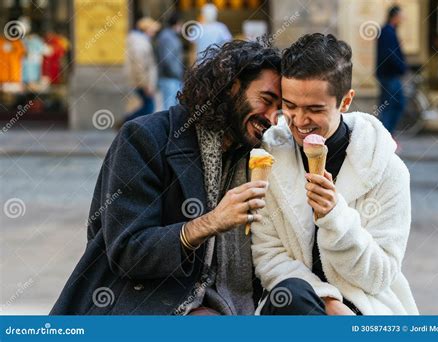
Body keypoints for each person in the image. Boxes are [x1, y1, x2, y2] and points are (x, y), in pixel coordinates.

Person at [50, 39, 281, 315]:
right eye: (266, 100)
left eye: (281, 108)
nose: (273, 118)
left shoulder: (259, 151)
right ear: (232, 87)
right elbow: (127, 252)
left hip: (235, 301)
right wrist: (210, 222)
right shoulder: (145, 138)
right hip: (152, 302)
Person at [251, 33, 418, 315]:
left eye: (315, 109)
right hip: (297, 303)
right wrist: (328, 300)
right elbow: (267, 256)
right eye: (289, 106)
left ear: (345, 101)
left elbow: (380, 276)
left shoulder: (388, 169)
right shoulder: (268, 160)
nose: (300, 121)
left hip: (366, 306)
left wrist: (335, 218)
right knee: (290, 295)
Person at [376, 5, 407, 134]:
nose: (403, 19)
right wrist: (401, 67)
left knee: (391, 105)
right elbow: (389, 55)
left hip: (389, 75)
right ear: (395, 17)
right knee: (393, 106)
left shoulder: (389, 31)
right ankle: (386, 136)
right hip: (389, 75)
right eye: (401, 16)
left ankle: (386, 136)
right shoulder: (387, 32)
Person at [124, 17, 160, 122]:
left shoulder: (140, 41)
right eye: (152, 30)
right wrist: (146, 85)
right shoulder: (140, 43)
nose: (154, 33)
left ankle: (127, 124)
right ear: (147, 30)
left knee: (147, 107)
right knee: (148, 108)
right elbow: (139, 66)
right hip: (142, 83)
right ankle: (126, 123)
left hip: (141, 82)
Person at [155, 12, 184, 110]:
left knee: (172, 108)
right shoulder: (168, 37)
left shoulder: (169, 36)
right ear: (177, 23)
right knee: (169, 109)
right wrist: (177, 73)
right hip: (169, 78)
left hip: (172, 78)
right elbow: (167, 60)